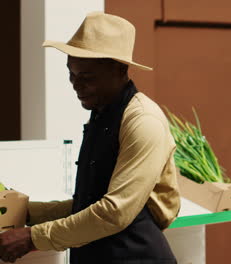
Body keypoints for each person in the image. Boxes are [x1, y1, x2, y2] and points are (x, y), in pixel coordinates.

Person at [0, 11, 181, 263]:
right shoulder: (101, 113)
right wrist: (23, 211)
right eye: (71, 74)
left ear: (119, 69)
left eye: (87, 77)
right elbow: (87, 202)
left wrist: (32, 237)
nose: (76, 84)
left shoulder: (143, 120)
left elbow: (114, 212)